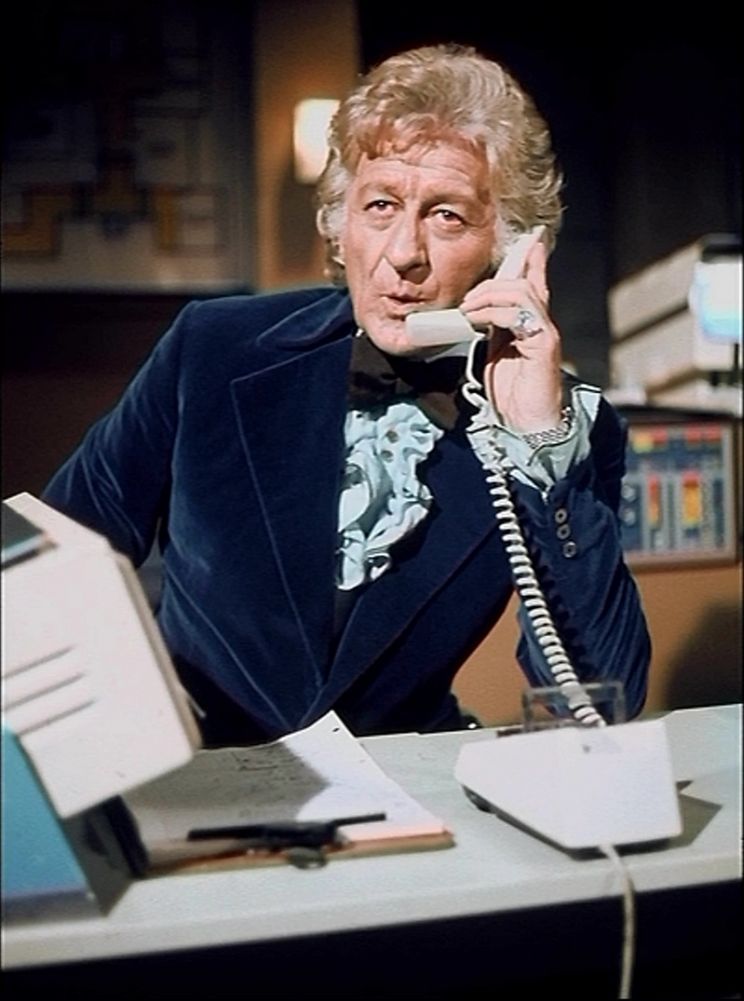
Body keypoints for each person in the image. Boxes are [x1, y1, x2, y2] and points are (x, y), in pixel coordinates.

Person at [42, 43, 650, 744]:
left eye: (447, 216)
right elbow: (55, 553)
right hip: (196, 763)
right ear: (340, 222)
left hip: (402, 777)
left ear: (509, 250)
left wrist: (539, 443)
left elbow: (601, 698)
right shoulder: (213, 346)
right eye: (381, 205)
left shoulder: (569, 427)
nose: (403, 253)